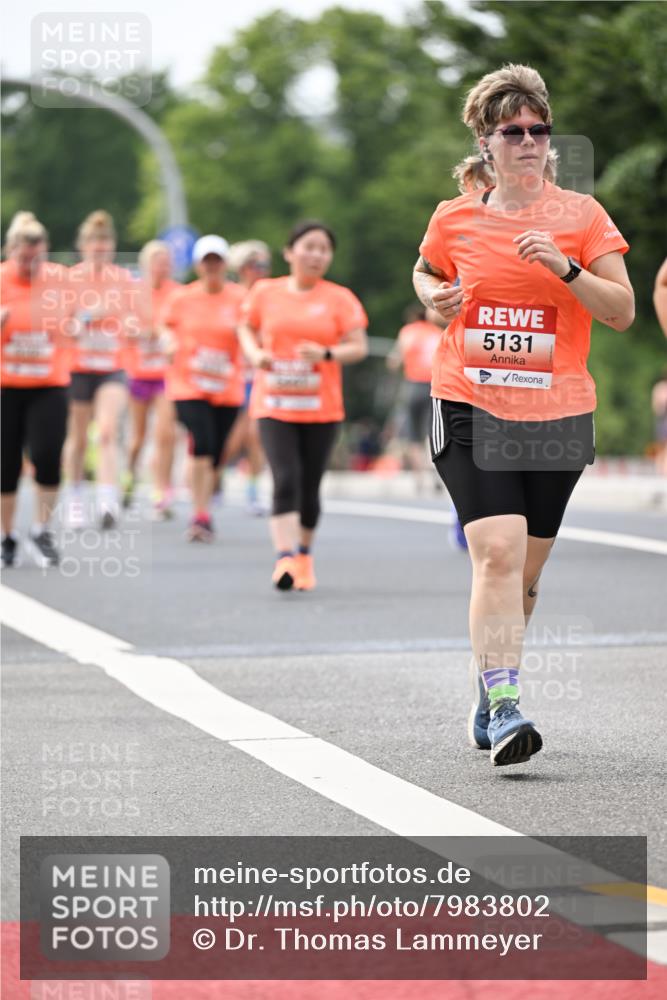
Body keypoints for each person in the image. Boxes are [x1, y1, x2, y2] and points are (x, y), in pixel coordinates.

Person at [413, 64, 633, 766]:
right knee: (498, 554)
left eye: (539, 129)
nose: (529, 141)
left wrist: (566, 269)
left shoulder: (582, 216)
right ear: (486, 142)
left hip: (558, 412)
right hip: (470, 400)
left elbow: (622, 312)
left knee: (525, 576)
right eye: (513, 132)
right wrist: (432, 296)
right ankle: (507, 704)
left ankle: (489, 684)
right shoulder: (454, 216)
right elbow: (426, 268)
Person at [239, 220, 368, 591]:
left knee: (310, 487)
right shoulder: (266, 292)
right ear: (289, 252)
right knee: (286, 479)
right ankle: (285, 559)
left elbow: (358, 347)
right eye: (309, 246)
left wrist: (326, 353)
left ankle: (305, 557)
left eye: (324, 249)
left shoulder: (340, 298)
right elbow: (245, 327)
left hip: (321, 407)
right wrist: (255, 354)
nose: (316, 255)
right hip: (274, 404)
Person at [162, 235, 245, 541]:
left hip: (226, 387)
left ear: (225, 265)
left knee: (217, 452)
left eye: (217, 261)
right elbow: (165, 326)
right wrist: (168, 342)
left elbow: (254, 329)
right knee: (203, 442)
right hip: (188, 384)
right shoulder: (182, 298)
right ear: (198, 265)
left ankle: (203, 507)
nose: (212, 267)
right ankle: (200, 515)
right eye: (206, 261)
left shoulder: (240, 298)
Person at [1, 212, 72, 567]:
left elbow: (80, 315)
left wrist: (77, 323)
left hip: (48, 384)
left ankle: (41, 531)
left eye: (37, 257)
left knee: (47, 456)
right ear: (11, 250)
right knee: (6, 463)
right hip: (6, 386)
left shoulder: (59, 279)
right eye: (24, 257)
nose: (31, 264)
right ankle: (7, 537)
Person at [62, 210, 136, 530]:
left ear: (113, 246)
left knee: (107, 431)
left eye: (105, 241)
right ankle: (75, 499)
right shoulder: (70, 279)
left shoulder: (123, 279)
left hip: (111, 366)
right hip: (78, 366)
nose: (100, 247)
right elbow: (62, 324)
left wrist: (130, 325)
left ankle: (107, 499)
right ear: (83, 246)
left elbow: (132, 317)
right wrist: (84, 319)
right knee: (78, 437)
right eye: (94, 241)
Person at [122, 240, 179, 519]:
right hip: (139, 372)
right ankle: (129, 476)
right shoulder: (134, 293)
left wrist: (168, 337)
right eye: (157, 262)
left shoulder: (177, 293)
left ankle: (161, 491)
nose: (162, 267)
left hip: (166, 374)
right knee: (138, 437)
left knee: (166, 434)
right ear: (145, 265)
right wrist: (148, 332)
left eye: (166, 262)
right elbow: (125, 328)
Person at [222, 240, 272, 514]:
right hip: (231, 376)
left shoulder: (270, 295)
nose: (260, 271)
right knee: (232, 439)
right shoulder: (231, 295)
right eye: (255, 265)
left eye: (264, 265)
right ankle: (213, 479)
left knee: (256, 435)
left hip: (259, 376)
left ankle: (253, 491)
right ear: (242, 268)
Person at [387, 304, 442, 490]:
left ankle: (420, 478)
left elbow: (394, 361)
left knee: (412, 433)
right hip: (434, 385)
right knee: (430, 431)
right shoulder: (437, 332)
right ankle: (434, 469)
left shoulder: (408, 332)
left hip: (412, 385)